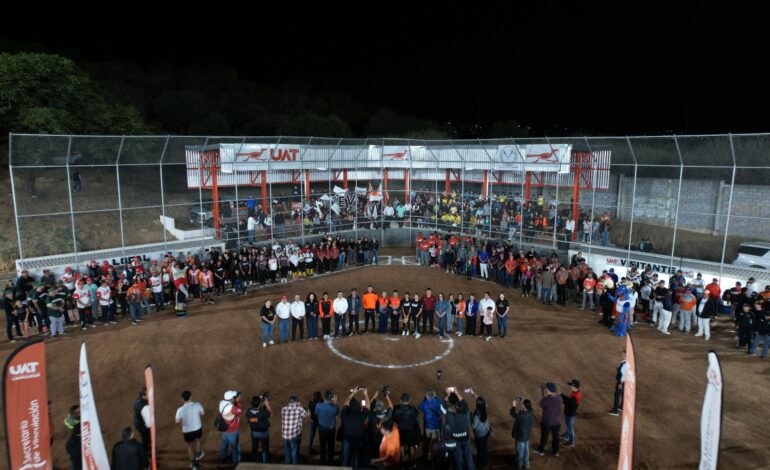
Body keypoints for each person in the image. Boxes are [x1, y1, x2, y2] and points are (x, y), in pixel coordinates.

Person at [441, 388, 474, 470]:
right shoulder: (466, 414)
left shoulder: (450, 416)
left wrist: (447, 396)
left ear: (456, 409)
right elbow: (464, 402)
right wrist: (457, 392)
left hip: (455, 439)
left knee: (457, 457)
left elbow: (441, 408)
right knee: (468, 455)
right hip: (465, 438)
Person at [341, 388, 370, 469]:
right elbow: (368, 406)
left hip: (347, 440)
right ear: (359, 409)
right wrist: (366, 394)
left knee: (346, 458)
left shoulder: (345, 415)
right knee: (357, 458)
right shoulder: (362, 416)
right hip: (358, 440)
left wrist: (353, 393)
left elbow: (346, 404)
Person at [175, 390, 205, 463]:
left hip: (187, 431)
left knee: (190, 446)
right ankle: (198, 454)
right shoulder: (197, 404)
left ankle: (194, 464)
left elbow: (177, 421)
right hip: (197, 429)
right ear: (191, 396)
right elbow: (203, 413)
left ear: (182, 399)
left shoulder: (180, 410)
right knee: (197, 440)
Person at [392, 392, 421, 467]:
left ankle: (403, 463)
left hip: (401, 433)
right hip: (411, 433)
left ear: (401, 400)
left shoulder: (396, 410)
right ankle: (412, 463)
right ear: (409, 400)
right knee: (411, 447)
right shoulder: (413, 409)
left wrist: (399, 405)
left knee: (401, 447)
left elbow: (393, 419)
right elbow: (416, 416)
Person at [534, 383, 562, 457]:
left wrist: (543, 392)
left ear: (548, 390)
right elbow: (551, 399)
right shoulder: (559, 399)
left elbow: (541, 404)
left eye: (546, 389)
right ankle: (555, 451)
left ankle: (541, 450)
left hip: (547, 422)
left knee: (544, 436)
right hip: (557, 422)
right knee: (556, 437)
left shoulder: (545, 400)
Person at [281, 396, 310, 465]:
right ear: (296, 402)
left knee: (287, 452)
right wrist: (305, 408)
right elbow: (307, 414)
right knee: (294, 453)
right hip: (294, 436)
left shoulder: (283, 409)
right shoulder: (299, 409)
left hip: (285, 436)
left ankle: (288, 466)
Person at [218, 390, 243, 465]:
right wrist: (238, 401)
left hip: (224, 429)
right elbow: (240, 411)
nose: (235, 398)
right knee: (235, 448)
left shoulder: (221, 402)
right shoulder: (232, 408)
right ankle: (235, 462)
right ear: (231, 398)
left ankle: (223, 457)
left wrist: (234, 401)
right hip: (232, 430)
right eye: (234, 397)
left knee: (224, 444)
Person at [316, 390, 340, 465]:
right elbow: (337, 413)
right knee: (331, 446)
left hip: (322, 428)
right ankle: (330, 462)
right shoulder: (334, 407)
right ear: (332, 399)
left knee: (322, 446)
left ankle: (322, 462)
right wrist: (335, 403)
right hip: (331, 429)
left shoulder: (318, 405)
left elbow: (316, 413)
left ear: (323, 397)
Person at [469, 390, 491, 469]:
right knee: (484, 447)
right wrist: (474, 394)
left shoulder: (476, 416)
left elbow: (474, 426)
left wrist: (471, 419)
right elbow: (482, 402)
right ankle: (485, 459)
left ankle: (480, 465)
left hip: (480, 435)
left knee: (480, 450)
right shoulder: (485, 409)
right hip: (486, 431)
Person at [246, 395, 271, 463]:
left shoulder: (248, 411)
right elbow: (270, 413)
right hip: (264, 433)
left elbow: (256, 412)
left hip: (254, 433)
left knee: (254, 448)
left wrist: (261, 405)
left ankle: (253, 462)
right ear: (260, 403)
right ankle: (266, 463)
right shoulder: (262, 413)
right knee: (265, 449)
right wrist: (267, 404)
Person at [419, 389, 442, 461]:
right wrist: (435, 397)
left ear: (427, 396)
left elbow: (420, 406)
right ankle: (434, 456)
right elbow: (440, 404)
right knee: (435, 442)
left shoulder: (424, 403)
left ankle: (427, 455)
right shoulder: (437, 401)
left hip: (428, 427)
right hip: (436, 426)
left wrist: (425, 398)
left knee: (428, 441)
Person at [511, 398, 534, 470]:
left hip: (521, 435)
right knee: (526, 450)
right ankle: (526, 464)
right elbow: (527, 407)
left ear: (524, 406)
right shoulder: (530, 411)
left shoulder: (521, 416)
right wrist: (523, 401)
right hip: (527, 434)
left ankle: (520, 465)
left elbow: (513, 414)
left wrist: (513, 406)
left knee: (520, 451)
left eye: (523, 405)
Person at [560, 380, 581, 448]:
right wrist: (562, 396)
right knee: (568, 424)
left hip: (570, 413)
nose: (570, 386)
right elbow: (569, 400)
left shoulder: (575, 396)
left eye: (571, 385)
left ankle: (571, 441)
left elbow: (568, 403)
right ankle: (566, 435)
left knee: (570, 427)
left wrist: (562, 397)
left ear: (575, 387)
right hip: (569, 412)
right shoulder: (575, 392)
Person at [608, 351, 628, 416]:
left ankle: (615, 411)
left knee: (617, 395)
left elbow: (624, 374)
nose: (622, 355)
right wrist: (618, 369)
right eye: (622, 354)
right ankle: (621, 407)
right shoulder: (625, 362)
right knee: (623, 394)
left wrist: (620, 383)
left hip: (621, 382)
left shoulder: (625, 364)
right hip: (624, 382)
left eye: (624, 354)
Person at [132, 388, 151, 456]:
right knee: (147, 439)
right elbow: (148, 423)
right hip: (142, 426)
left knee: (144, 438)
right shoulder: (145, 406)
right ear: (145, 396)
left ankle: (146, 448)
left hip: (137, 422)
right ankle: (146, 452)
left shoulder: (136, 401)